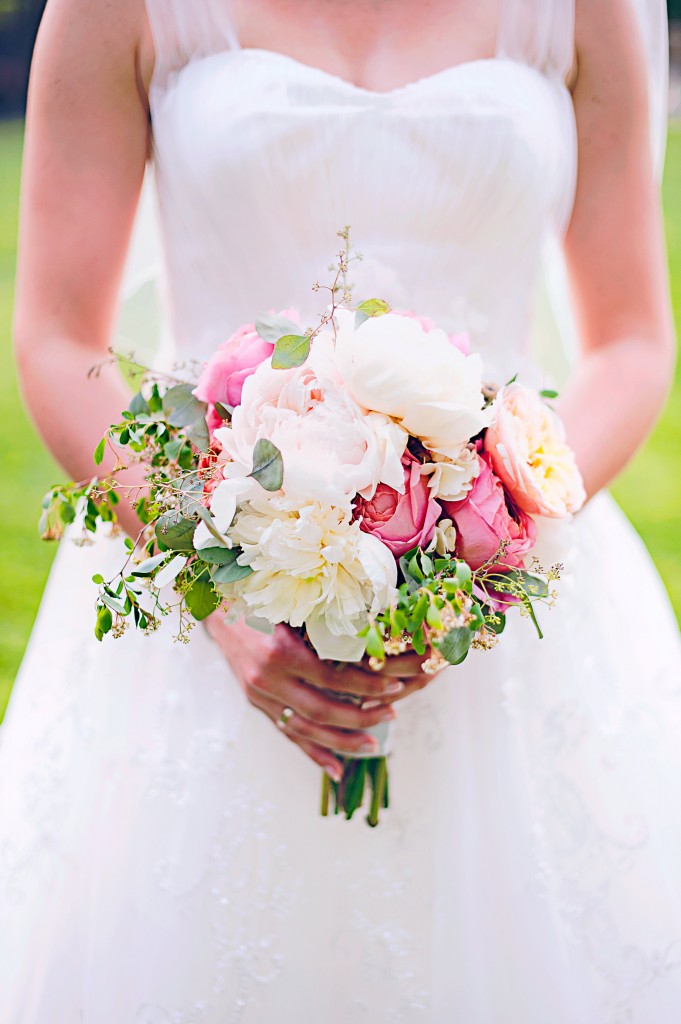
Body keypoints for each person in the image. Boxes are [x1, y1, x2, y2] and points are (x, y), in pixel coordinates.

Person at [3, 0, 681, 1020]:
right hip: (200, 584)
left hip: (505, 615)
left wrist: (487, 534)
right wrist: (218, 586)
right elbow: (57, 336)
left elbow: (632, 339)